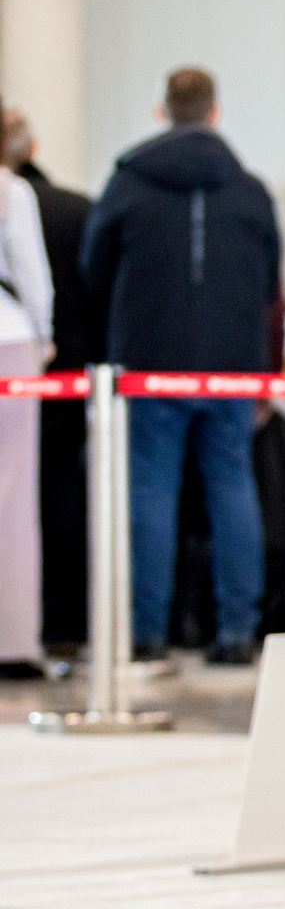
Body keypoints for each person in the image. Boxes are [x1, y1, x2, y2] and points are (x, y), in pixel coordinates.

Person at [81, 67, 284, 669]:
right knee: (232, 486)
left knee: (150, 490)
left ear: (162, 111)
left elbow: (94, 269)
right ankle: (238, 631)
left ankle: (146, 633)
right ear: (215, 112)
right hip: (232, 365)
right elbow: (270, 280)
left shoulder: (127, 185)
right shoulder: (250, 190)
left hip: (149, 362)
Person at [2, 109, 102, 652]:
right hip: (27, 353)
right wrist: (46, 342)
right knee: (31, 496)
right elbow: (37, 284)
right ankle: (35, 632)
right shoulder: (41, 200)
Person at [0, 150, 53, 676]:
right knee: (12, 497)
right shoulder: (10, 191)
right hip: (9, 339)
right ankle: (12, 640)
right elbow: (33, 278)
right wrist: (44, 335)